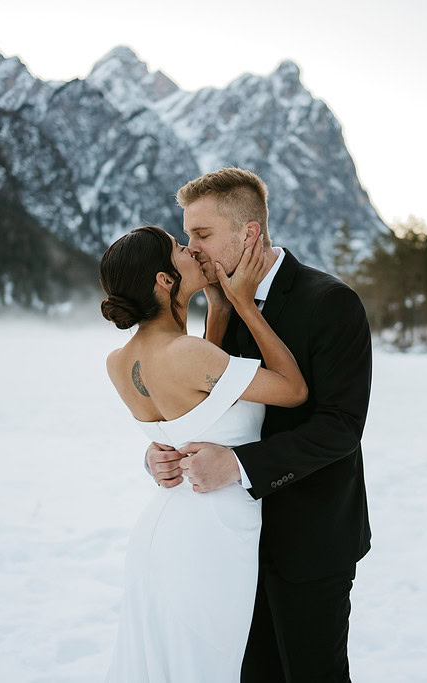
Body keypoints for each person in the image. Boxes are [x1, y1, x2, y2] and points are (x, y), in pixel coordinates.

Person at [146, 168, 373, 681]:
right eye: (187, 236)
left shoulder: (331, 303)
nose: (192, 249)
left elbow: (341, 426)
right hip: (231, 544)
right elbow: (210, 410)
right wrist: (162, 453)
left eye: (202, 235)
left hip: (311, 540)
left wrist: (238, 466)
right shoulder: (219, 310)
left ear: (249, 233)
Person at [101, 224, 308, 682]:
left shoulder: (120, 362)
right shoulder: (187, 354)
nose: (190, 249)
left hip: (165, 529)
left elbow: (202, 408)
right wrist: (242, 305)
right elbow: (293, 390)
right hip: (207, 538)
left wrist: (215, 309)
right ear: (163, 280)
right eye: (178, 248)